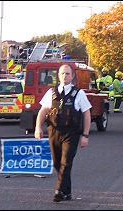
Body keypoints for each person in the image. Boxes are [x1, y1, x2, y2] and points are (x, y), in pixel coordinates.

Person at [34, 64, 92, 203]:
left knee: (66, 162)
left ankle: (59, 191)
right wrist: (38, 128)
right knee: (57, 163)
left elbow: (86, 114)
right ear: (58, 76)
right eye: (62, 73)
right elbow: (43, 111)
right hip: (54, 131)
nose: (64, 76)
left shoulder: (79, 93)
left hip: (71, 132)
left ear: (72, 76)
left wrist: (85, 135)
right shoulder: (51, 92)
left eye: (67, 74)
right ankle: (67, 191)